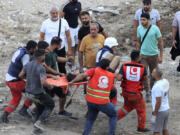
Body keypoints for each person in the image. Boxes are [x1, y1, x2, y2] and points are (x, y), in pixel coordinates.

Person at [69, 59, 117, 135]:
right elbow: (112, 89)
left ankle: (85, 133)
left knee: (90, 119)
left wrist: (72, 82)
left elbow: (82, 75)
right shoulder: (111, 76)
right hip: (103, 102)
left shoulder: (93, 71)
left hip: (90, 101)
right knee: (113, 114)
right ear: (107, 67)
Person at [0, 40, 37, 123]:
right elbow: (25, 70)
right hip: (15, 81)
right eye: (35, 49)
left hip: (9, 78)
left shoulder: (21, 50)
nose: (35, 50)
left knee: (16, 98)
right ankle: (24, 110)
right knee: (33, 92)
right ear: (31, 49)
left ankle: (4, 115)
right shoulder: (26, 56)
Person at [19, 50, 55, 134]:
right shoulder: (41, 67)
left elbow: (20, 75)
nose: (45, 57)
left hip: (28, 92)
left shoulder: (28, 64)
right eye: (44, 55)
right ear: (41, 57)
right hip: (37, 93)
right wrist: (50, 86)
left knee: (40, 107)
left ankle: (36, 129)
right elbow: (43, 81)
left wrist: (29, 79)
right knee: (51, 104)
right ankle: (39, 122)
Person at [117, 50, 150, 133]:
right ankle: (141, 128)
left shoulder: (124, 66)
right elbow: (145, 79)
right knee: (141, 110)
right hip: (136, 94)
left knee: (127, 107)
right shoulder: (142, 68)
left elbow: (118, 78)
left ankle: (114, 118)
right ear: (138, 58)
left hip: (126, 93)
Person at [137, 12, 164, 102]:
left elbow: (160, 42)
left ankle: (152, 90)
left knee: (153, 74)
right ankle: (147, 92)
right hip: (143, 55)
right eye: (141, 20)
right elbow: (138, 41)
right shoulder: (139, 28)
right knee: (144, 73)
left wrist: (161, 56)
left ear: (149, 20)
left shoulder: (155, 29)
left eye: (144, 20)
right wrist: (138, 54)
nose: (142, 21)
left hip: (154, 55)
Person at [40, 5, 72, 74]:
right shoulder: (45, 23)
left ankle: (63, 82)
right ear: (50, 13)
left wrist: (69, 49)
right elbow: (41, 37)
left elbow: (68, 36)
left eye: (56, 13)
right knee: (49, 67)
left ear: (58, 12)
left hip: (60, 48)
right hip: (49, 50)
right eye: (53, 13)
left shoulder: (64, 22)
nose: (54, 15)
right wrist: (41, 50)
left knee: (62, 67)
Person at [44, 37, 73, 116]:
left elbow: (57, 58)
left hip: (54, 78)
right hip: (50, 79)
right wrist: (59, 74)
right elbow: (48, 68)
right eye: (60, 44)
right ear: (56, 44)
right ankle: (35, 111)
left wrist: (67, 59)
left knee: (62, 95)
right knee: (48, 99)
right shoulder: (49, 54)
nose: (61, 46)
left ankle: (61, 110)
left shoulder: (52, 52)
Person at [60, 0, 82, 71]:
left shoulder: (79, 3)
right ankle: (73, 65)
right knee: (71, 47)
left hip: (77, 27)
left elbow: (80, 15)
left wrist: (83, 25)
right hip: (69, 28)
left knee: (76, 46)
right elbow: (60, 19)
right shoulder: (65, 5)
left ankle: (70, 60)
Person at [151, 68, 170, 135]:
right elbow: (167, 93)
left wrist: (155, 114)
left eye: (152, 73)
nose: (151, 74)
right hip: (166, 108)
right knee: (165, 129)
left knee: (156, 131)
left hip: (160, 111)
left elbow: (158, 101)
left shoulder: (156, 87)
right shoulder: (166, 81)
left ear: (155, 75)